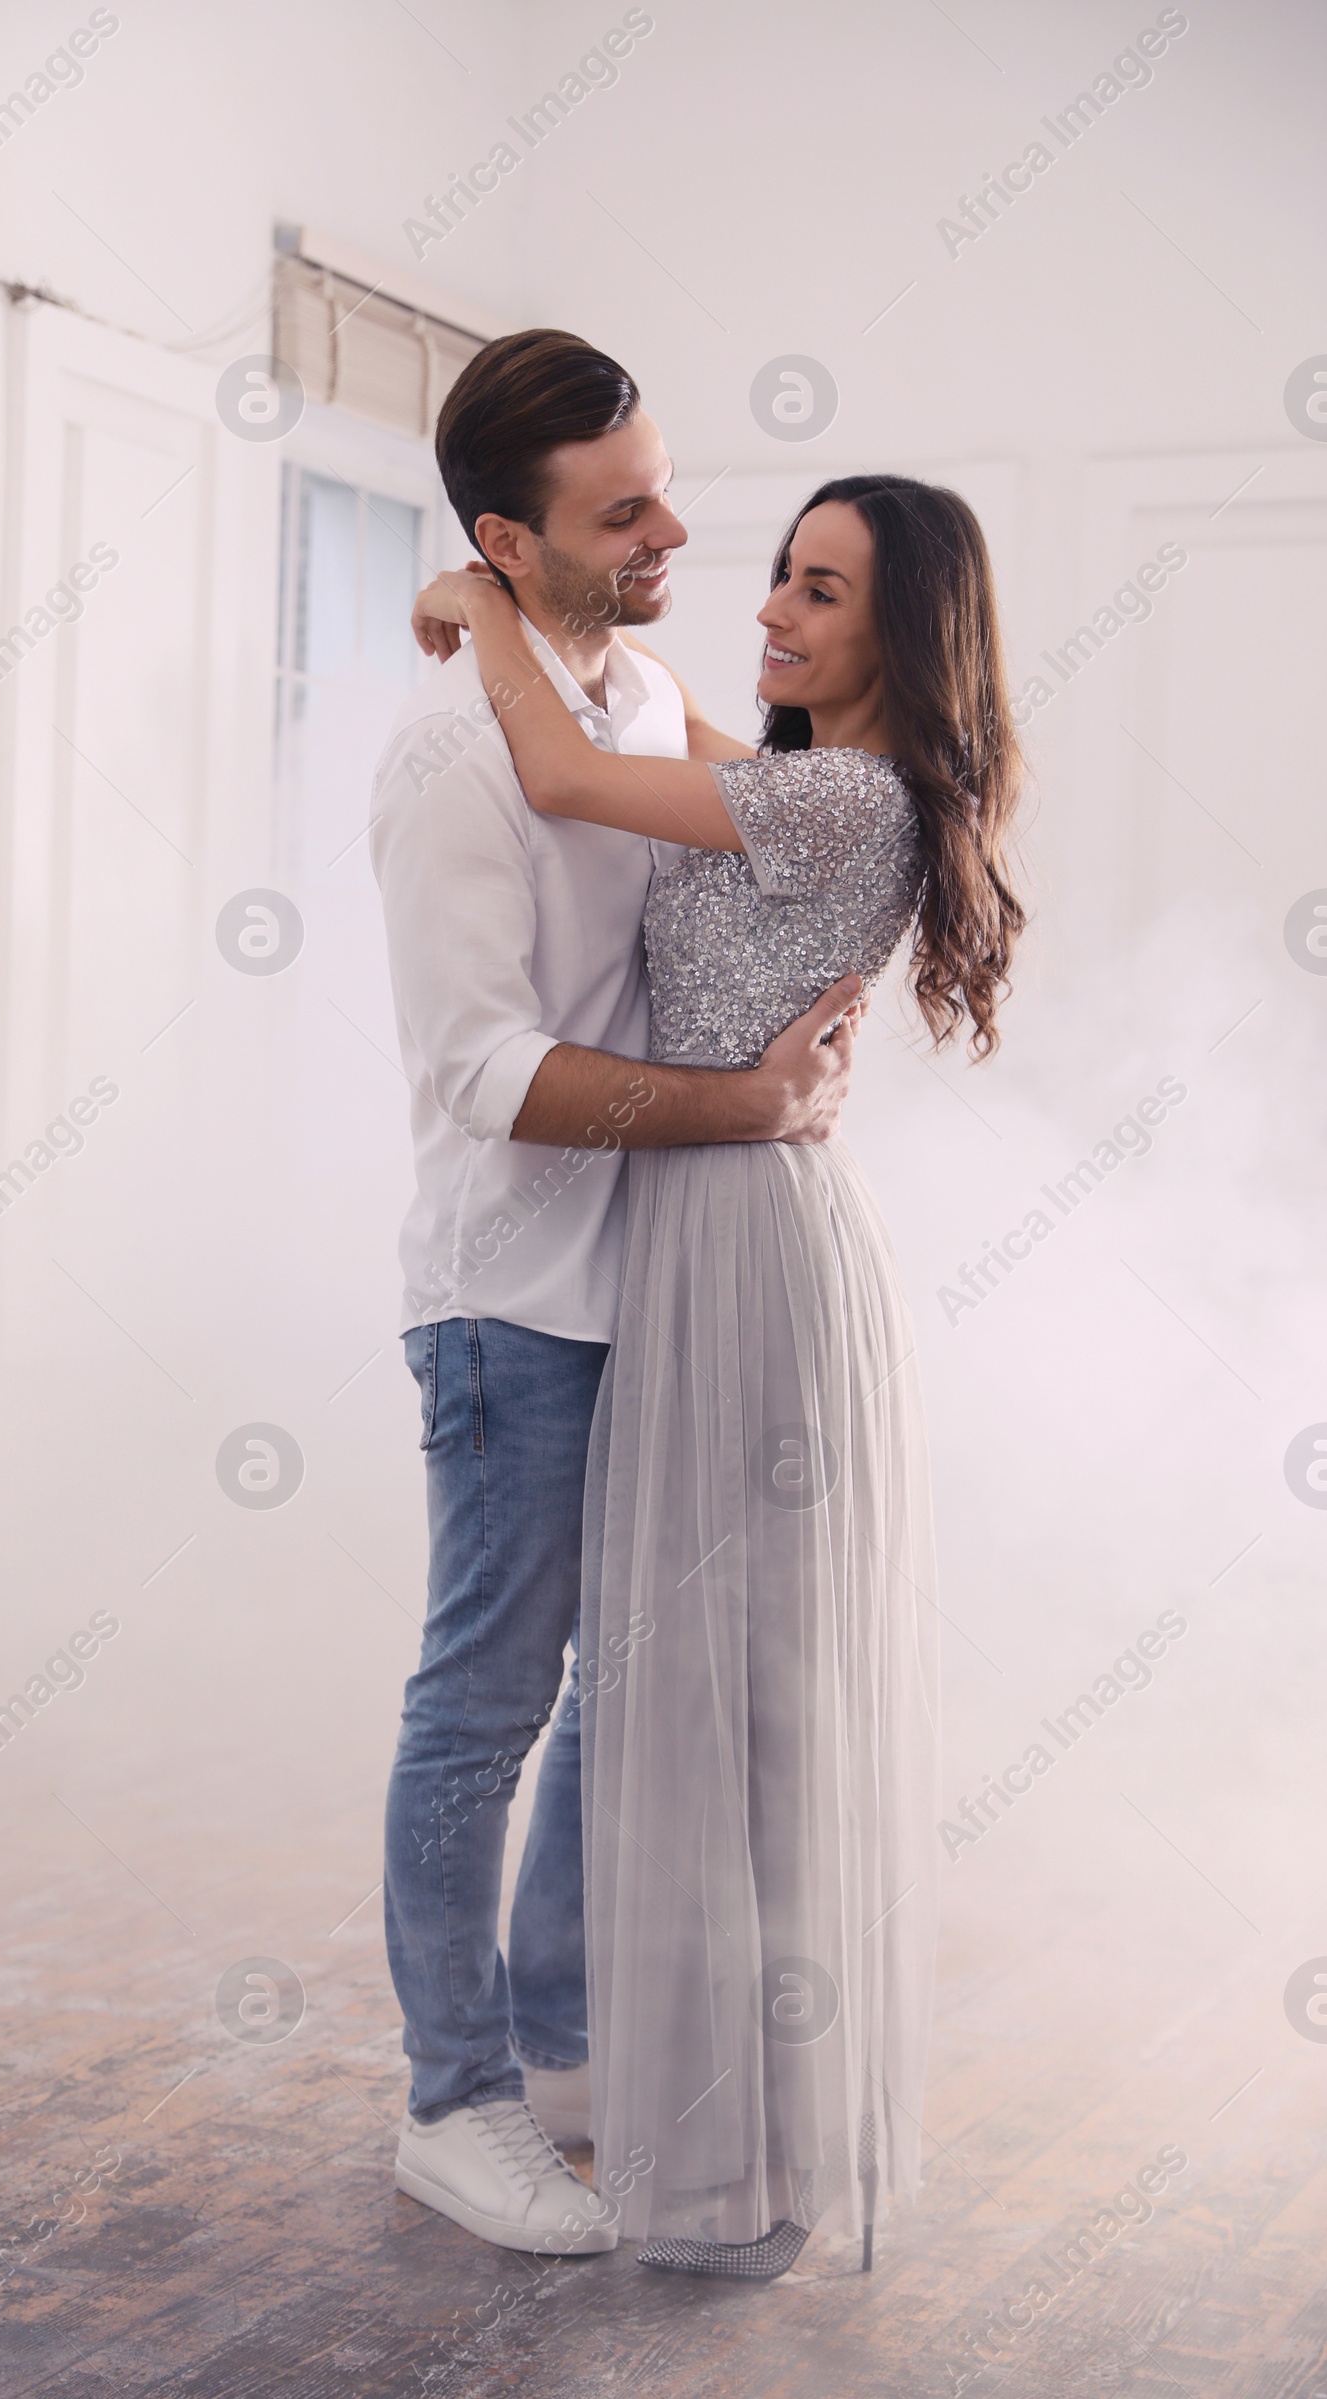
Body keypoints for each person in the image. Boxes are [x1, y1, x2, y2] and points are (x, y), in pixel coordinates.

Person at [409, 469, 1024, 2276]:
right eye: (777, 570)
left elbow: (575, 775)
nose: (771, 607)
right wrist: (535, 615)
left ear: (901, 634)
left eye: (822, 591)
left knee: (725, 1689)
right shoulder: (814, 777)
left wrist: (478, 604)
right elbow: (652, 725)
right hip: (725, 1221)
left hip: (743, 1235)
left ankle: (697, 2118)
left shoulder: (837, 796)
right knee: (704, 1681)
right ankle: (673, 2086)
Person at [369, 330, 864, 2258]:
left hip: (649, 1279)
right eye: (624, 508)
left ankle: (565, 2047)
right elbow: (478, 1069)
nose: (676, 528)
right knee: (485, 1703)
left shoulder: (637, 687)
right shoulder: (450, 757)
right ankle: (457, 2101)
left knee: (608, 1698)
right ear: (511, 534)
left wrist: (472, 600)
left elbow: (770, 817)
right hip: (510, 1302)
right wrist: (744, 1106)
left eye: (664, 486)